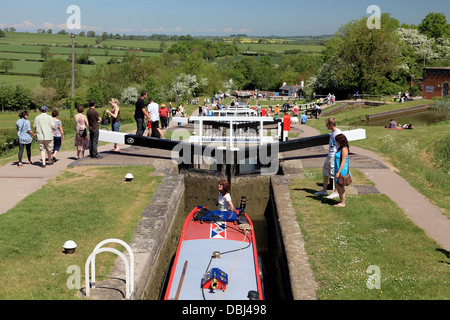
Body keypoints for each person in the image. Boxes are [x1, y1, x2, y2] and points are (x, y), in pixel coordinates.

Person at [315, 118, 342, 198]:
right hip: (329, 155)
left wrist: (338, 156)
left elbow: (342, 145)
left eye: (326, 124)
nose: (326, 126)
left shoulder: (338, 133)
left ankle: (336, 192)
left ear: (330, 124)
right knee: (325, 172)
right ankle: (324, 190)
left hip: (334, 156)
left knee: (334, 174)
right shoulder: (332, 132)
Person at [334, 134, 352, 208]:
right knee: (338, 185)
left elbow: (343, 161)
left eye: (337, 141)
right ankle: (341, 199)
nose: (336, 142)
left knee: (340, 185)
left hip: (342, 170)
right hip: (337, 168)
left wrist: (338, 172)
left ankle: (342, 203)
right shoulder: (341, 148)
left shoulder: (344, 149)